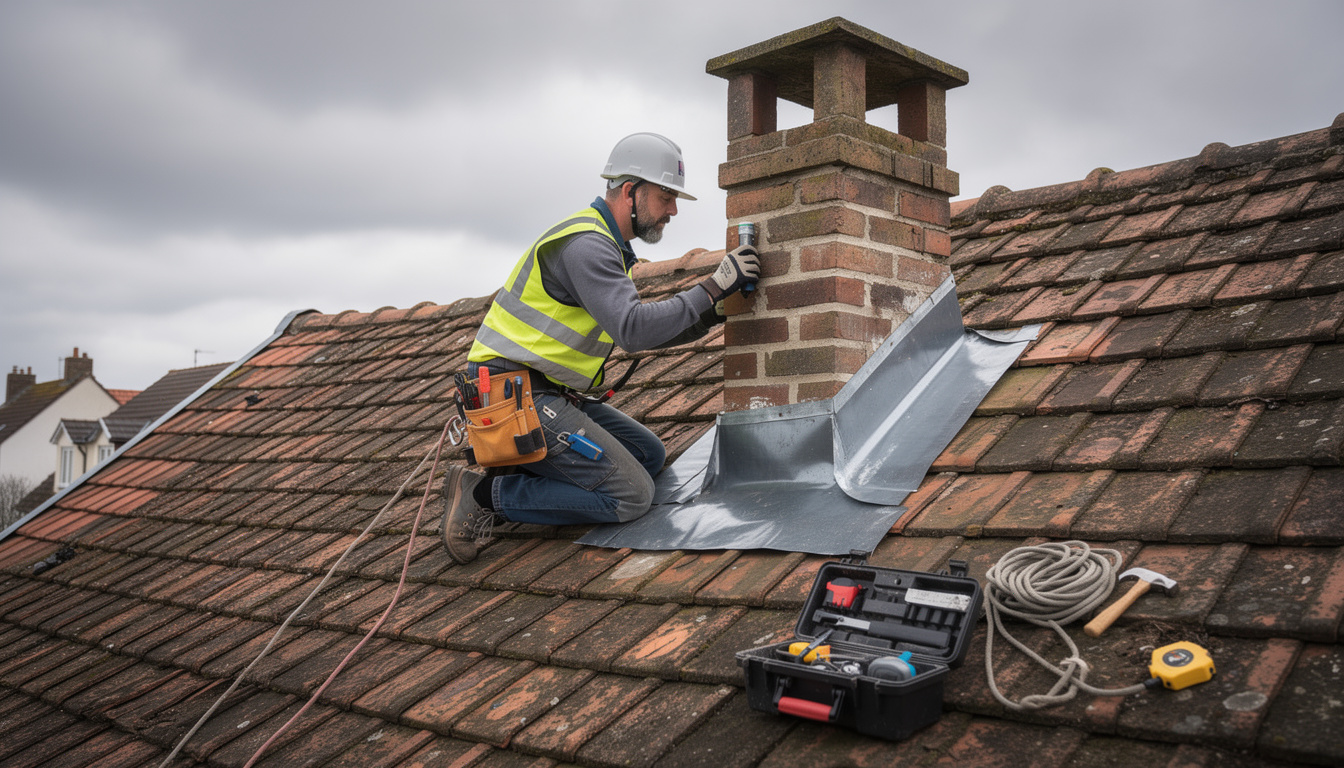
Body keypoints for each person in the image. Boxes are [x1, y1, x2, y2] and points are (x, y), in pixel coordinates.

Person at [441, 132, 760, 563]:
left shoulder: (607, 246)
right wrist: (712, 286)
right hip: (513, 396)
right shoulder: (587, 245)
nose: (673, 210)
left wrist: (715, 312)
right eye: (666, 195)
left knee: (650, 454)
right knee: (631, 496)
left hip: (542, 394)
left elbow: (647, 328)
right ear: (630, 191)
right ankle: (482, 493)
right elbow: (633, 328)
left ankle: (520, 466)